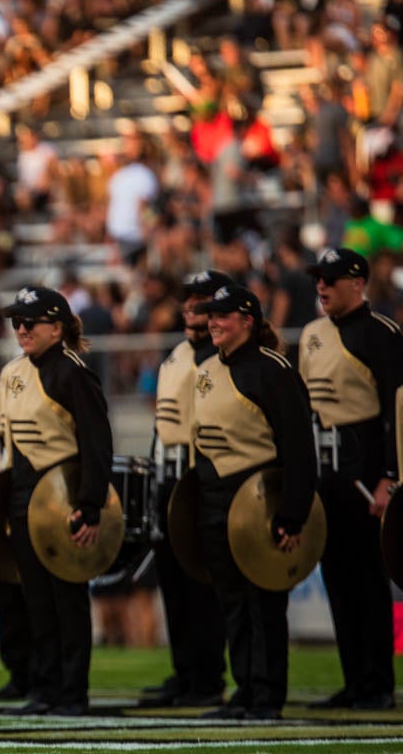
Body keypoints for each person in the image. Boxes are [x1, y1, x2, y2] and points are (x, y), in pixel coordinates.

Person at [192, 284, 317, 720]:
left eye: (223, 315)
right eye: (210, 315)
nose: (213, 322)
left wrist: (292, 514)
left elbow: (300, 449)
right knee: (232, 603)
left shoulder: (274, 370)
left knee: (263, 604)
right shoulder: (206, 369)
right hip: (215, 502)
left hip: (259, 500)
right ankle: (243, 689)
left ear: (248, 320)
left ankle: (267, 696)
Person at [0, 286, 113, 717]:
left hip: (63, 498)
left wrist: (91, 504)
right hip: (23, 497)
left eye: (30, 322)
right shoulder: (11, 372)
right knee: (36, 600)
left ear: (56, 328)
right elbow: (5, 444)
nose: (21, 329)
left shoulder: (73, 372)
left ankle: (72, 692)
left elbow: (97, 442)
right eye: (16, 322)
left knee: (67, 598)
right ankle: (43, 689)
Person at [298, 248, 403, 710]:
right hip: (326, 469)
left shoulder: (382, 335)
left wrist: (390, 478)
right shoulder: (311, 334)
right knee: (338, 575)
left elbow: (398, 412)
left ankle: (377, 682)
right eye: (318, 278)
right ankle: (353, 678)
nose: (321, 286)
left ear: (357, 283)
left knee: (367, 578)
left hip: (365, 464)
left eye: (332, 279)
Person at [140, 270, 230, 708]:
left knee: (201, 581)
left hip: (203, 476)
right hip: (170, 473)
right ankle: (185, 669)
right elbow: (164, 421)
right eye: (188, 301)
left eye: (202, 300)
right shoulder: (175, 354)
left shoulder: (226, 356)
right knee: (173, 580)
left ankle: (209, 676)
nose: (192, 308)